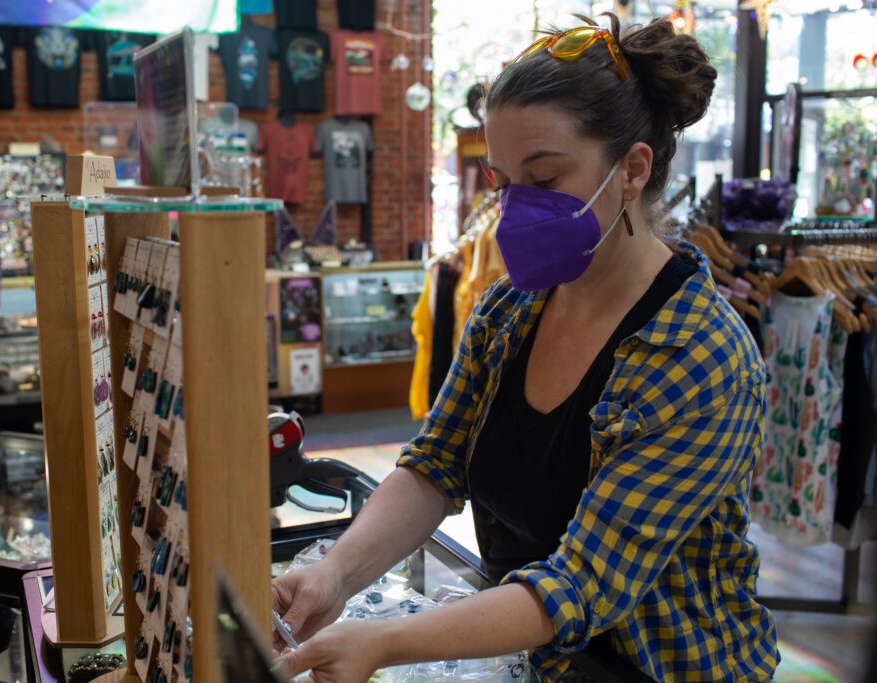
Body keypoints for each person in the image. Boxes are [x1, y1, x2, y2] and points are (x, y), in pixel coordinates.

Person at [274, 14, 779, 682]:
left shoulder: (700, 357)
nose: (515, 210)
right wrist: (332, 572)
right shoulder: (509, 311)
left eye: (543, 182)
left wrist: (386, 640)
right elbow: (433, 466)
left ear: (632, 168)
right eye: (502, 182)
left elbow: (582, 581)